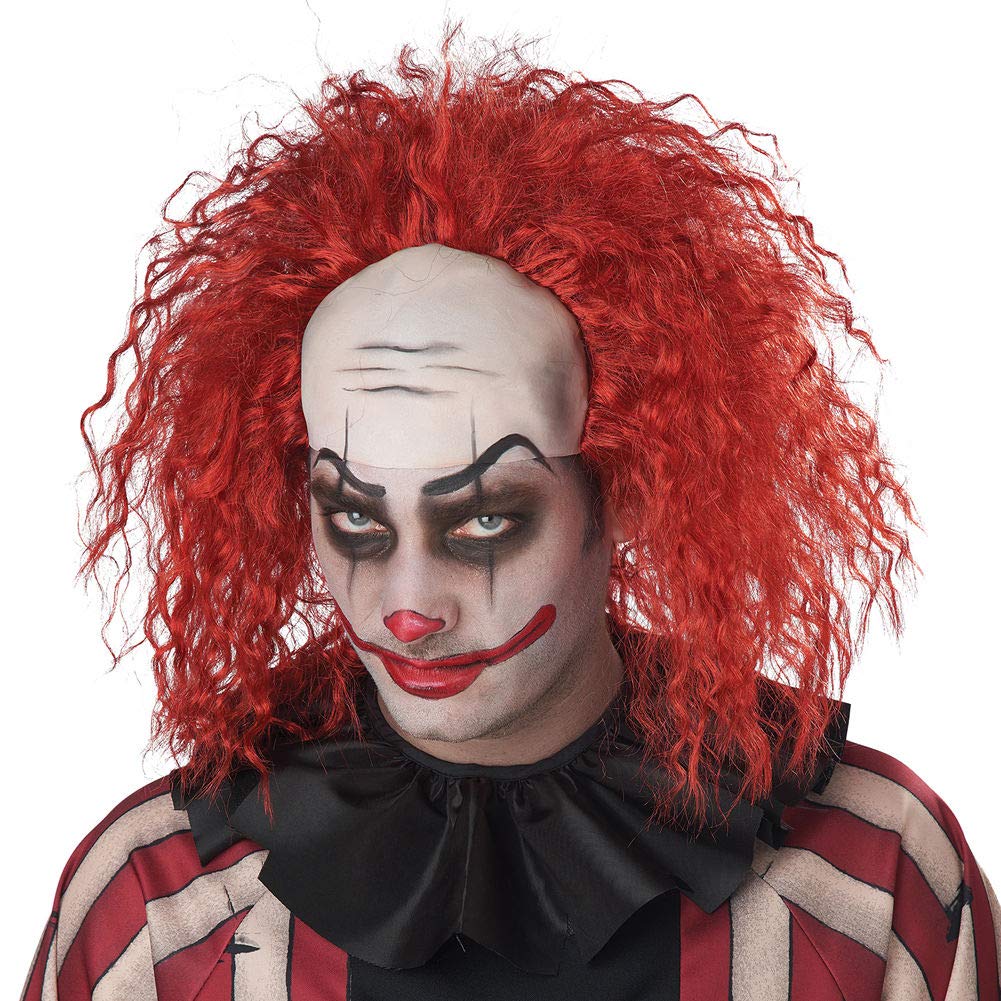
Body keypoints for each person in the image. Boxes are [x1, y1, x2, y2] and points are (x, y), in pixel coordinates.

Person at [21, 28, 1000, 1001]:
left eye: (485, 519)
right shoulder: (164, 913)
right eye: (354, 517)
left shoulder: (868, 888)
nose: (408, 608)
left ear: (627, 488)